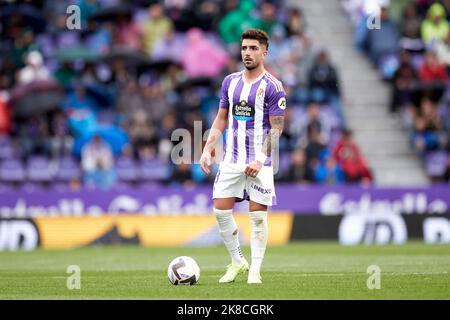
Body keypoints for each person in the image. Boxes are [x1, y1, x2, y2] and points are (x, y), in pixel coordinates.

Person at [200, 29, 287, 284]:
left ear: (264, 52)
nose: (247, 53)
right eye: (244, 48)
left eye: (253, 48)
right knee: (220, 212)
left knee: (258, 217)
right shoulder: (230, 82)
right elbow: (222, 118)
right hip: (232, 160)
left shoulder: (273, 87)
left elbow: (277, 127)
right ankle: (238, 262)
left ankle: (255, 271)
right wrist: (207, 149)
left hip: (260, 161)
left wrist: (260, 158)